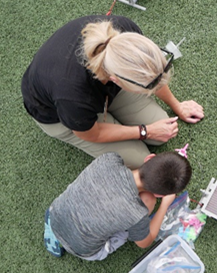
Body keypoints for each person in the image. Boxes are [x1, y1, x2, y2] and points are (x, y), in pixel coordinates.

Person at [21, 15, 204, 169]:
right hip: (61, 116)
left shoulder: (125, 31)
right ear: (116, 81)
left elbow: (152, 71)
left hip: (98, 88)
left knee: (161, 132)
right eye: (145, 88)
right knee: (141, 160)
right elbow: (91, 134)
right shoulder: (72, 94)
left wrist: (177, 105)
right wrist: (145, 132)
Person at [43, 151, 192, 260]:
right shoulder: (136, 215)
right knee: (149, 202)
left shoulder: (109, 159)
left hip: (57, 211)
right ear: (160, 195)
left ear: (149, 157)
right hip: (83, 249)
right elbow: (144, 242)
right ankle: (60, 236)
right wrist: (164, 205)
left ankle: (53, 226)